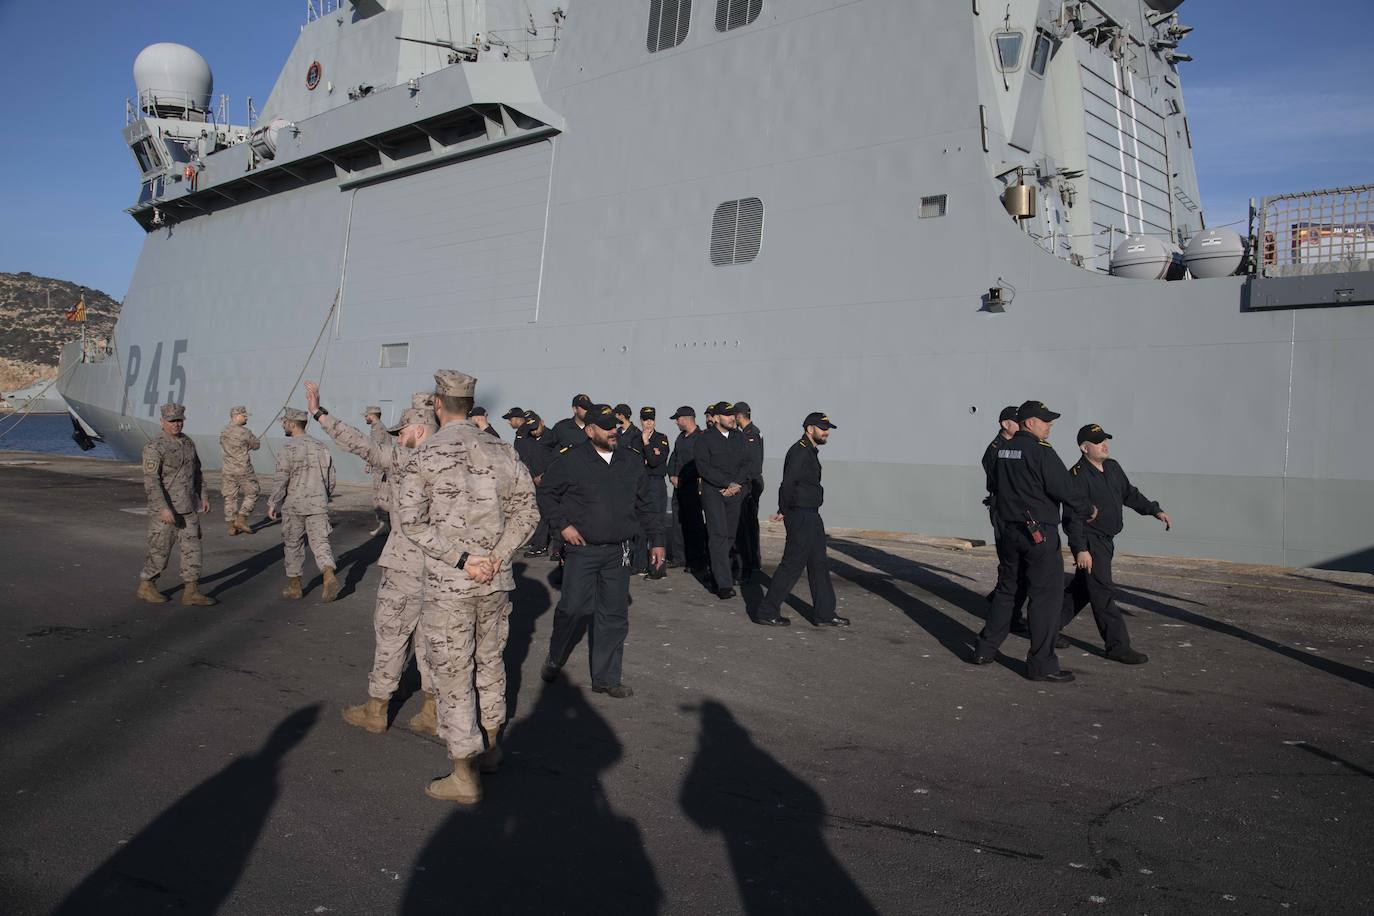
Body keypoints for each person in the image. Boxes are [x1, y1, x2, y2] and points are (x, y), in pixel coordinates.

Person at [398, 370, 539, 805]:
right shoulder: (502, 449)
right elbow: (527, 512)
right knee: (491, 661)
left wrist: (464, 559)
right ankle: (492, 749)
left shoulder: (426, 453)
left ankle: (464, 773)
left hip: (450, 584)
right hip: (495, 581)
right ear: (471, 404)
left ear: (438, 406)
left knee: (453, 672)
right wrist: (497, 555)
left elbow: (411, 522)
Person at [306, 380, 441, 735]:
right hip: (442, 567)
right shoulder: (452, 461)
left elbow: (360, 445)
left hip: (404, 563)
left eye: (403, 431)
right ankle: (431, 710)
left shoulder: (402, 458)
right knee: (431, 639)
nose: (397, 437)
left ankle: (377, 708)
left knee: (392, 635)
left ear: (420, 429)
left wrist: (320, 414)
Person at [538, 405, 665, 698]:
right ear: (590, 429)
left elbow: (646, 504)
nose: (613, 431)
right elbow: (546, 494)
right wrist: (562, 526)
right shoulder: (570, 461)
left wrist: (657, 540)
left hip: (618, 551)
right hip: (582, 550)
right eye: (606, 427)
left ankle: (607, 679)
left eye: (615, 426)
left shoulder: (630, 461)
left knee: (614, 614)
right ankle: (556, 656)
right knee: (573, 608)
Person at [972, 401, 1093, 682]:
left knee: (1008, 590)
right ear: (1029, 423)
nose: (1049, 424)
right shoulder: (1041, 451)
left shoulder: (1001, 451)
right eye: (1044, 420)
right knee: (1046, 598)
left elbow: (996, 487)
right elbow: (1065, 488)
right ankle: (1042, 664)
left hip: (1009, 530)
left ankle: (984, 649)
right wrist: (1089, 509)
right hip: (1038, 534)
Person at [1059, 424, 1171, 665]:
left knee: (1081, 590)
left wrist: (1154, 510)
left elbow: (1129, 494)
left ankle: (1045, 628)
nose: (1104, 445)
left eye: (1105, 440)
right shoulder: (1076, 476)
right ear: (1084, 447)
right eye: (1098, 441)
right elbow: (1072, 517)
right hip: (1091, 541)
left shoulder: (1112, 467)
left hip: (1106, 541)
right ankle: (1118, 646)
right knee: (1102, 593)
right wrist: (1080, 549)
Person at [754, 413, 849, 628]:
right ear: (809, 429)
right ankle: (766, 611)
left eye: (828, 428)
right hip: (800, 515)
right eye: (822, 427)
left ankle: (824, 613)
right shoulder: (799, 451)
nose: (827, 432)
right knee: (791, 565)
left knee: (819, 564)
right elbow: (787, 483)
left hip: (812, 515)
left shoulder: (810, 451)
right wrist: (784, 509)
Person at [136, 403, 216, 606]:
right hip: (166, 509)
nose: (176, 424)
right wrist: (163, 507)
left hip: (188, 506)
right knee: (159, 550)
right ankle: (147, 585)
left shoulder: (188, 443)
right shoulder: (154, 447)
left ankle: (191, 591)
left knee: (193, 549)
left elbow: (197, 472)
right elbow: (151, 481)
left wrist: (203, 495)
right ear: (162, 422)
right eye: (172, 421)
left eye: (179, 420)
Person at [268, 408, 339, 602]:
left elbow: (281, 478)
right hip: (318, 504)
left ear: (291, 424)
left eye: (284, 422)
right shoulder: (321, 447)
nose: (283, 425)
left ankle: (295, 587)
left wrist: (273, 502)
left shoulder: (287, 448)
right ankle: (328, 573)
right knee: (321, 543)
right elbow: (331, 478)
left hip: (294, 505)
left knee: (293, 544)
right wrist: (324, 497)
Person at [695, 401, 752, 599]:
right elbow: (703, 467)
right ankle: (723, 584)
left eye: (733, 415)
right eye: (727, 415)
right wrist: (725, 483)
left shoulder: (739, 437)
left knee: (729, 535)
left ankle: (715, 568)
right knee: (718, 534)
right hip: (714, 493)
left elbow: (747, 463)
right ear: (716, 418)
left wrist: (735, 484)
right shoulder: (705, 439)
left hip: (735, 492)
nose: (732, 418)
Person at [982, 405, 1029, 636]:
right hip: (1003, 509)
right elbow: (1000, 482)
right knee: (1011, 562)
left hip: (1012, 508)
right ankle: (1007, 612)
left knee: (1016, 563)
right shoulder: (996, 449)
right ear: (1005, 424)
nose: (1021, 425)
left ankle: (1001, 601)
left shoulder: (1012, 446)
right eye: (1016, 421)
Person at [667, 406, 707, 572]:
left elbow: (700, 463)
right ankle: (679, 557)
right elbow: (673, 458)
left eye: (678, 419)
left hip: (692, 488)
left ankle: (695, 560)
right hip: (679, 488)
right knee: (677, 522)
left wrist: (684, 478)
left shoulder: (701, 438)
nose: (676, 422)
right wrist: (671, 475)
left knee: (693, 524)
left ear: (686, 418)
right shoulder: (680, 438)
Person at [516, 411, 559, 558]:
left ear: (542, 422)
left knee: (555, 513)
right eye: (531, 429)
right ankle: (540, 546)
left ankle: (558, 550)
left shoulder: (552, 437)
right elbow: (524, 459)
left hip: (552, 480)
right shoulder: (526, 439)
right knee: (539, 513)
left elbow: (558, 459)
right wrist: (533, 476)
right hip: (534, 480)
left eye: (536, 427)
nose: (534, 431)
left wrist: (546, 475)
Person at [733, 402, 764, 583]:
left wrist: (743, 483)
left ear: (738, 416)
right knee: (750, 525)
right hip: (751, 482)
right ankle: (753, 563)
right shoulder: (752, 431)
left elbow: (752, 463)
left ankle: (748, 566)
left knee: (745, 527)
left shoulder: (750, 434)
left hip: (750, 483)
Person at [639, 407, 671, 579]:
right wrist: (650, 453)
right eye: (645, 419)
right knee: (641, 525)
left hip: (656, 484)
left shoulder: (661, 438)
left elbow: (654, 461)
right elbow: (637, 462)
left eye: (651, 419)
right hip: (641, 484)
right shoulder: (636, 438)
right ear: (640, 421)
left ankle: (658, 568)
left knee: (657, 525)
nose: (648, 422)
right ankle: (641, 564)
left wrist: (646, 444)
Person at [219, 405, 260, 537]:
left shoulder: (224, 431)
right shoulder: (245, 432)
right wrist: (250, 444)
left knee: (230, 497)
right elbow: (256, 445)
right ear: (236, 416)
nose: (246, 417)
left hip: (227, 469)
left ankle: (231, 527)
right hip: (243, 469)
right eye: (244, 415)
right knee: (253, 492)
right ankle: (241, 519)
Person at [364, 406, 389, 536]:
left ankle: (384, 525)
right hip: (379, 466)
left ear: (372, 416)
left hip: (379, 467)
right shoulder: (377, 428)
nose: (365, 418)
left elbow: (376, 449)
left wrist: (369, 463)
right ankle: (384, 524)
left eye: (366, 415)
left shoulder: (378, 429)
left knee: (378, 497)